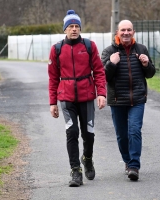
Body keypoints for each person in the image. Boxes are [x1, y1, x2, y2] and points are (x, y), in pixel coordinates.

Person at [48, 10, 106, 187]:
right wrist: (53, 103)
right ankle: (75, 170)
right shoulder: (56, 49)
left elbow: (99, 71)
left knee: (88, 134)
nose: (74, 29)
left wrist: (101, 93)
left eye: (77, 26)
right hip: (66, 98)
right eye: (70, 26)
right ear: (65, 29)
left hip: (87, 97)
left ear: (80, 28)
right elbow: (52, 77)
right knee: (72, 132)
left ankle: (87, 159)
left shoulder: (89, 46)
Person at [101, 20, 156, 181]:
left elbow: (150, 73)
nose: (126, 33)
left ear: (133, 32)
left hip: (137, 99)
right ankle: (127, 160)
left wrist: (146, 64)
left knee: (134, 130)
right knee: (122, 134)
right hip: (117, 100)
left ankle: (133, 166)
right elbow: (104, 76)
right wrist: (112, 63)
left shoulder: (141, 49)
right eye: (123, 30)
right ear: (117, 33)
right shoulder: (108, 52)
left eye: (129, 30)